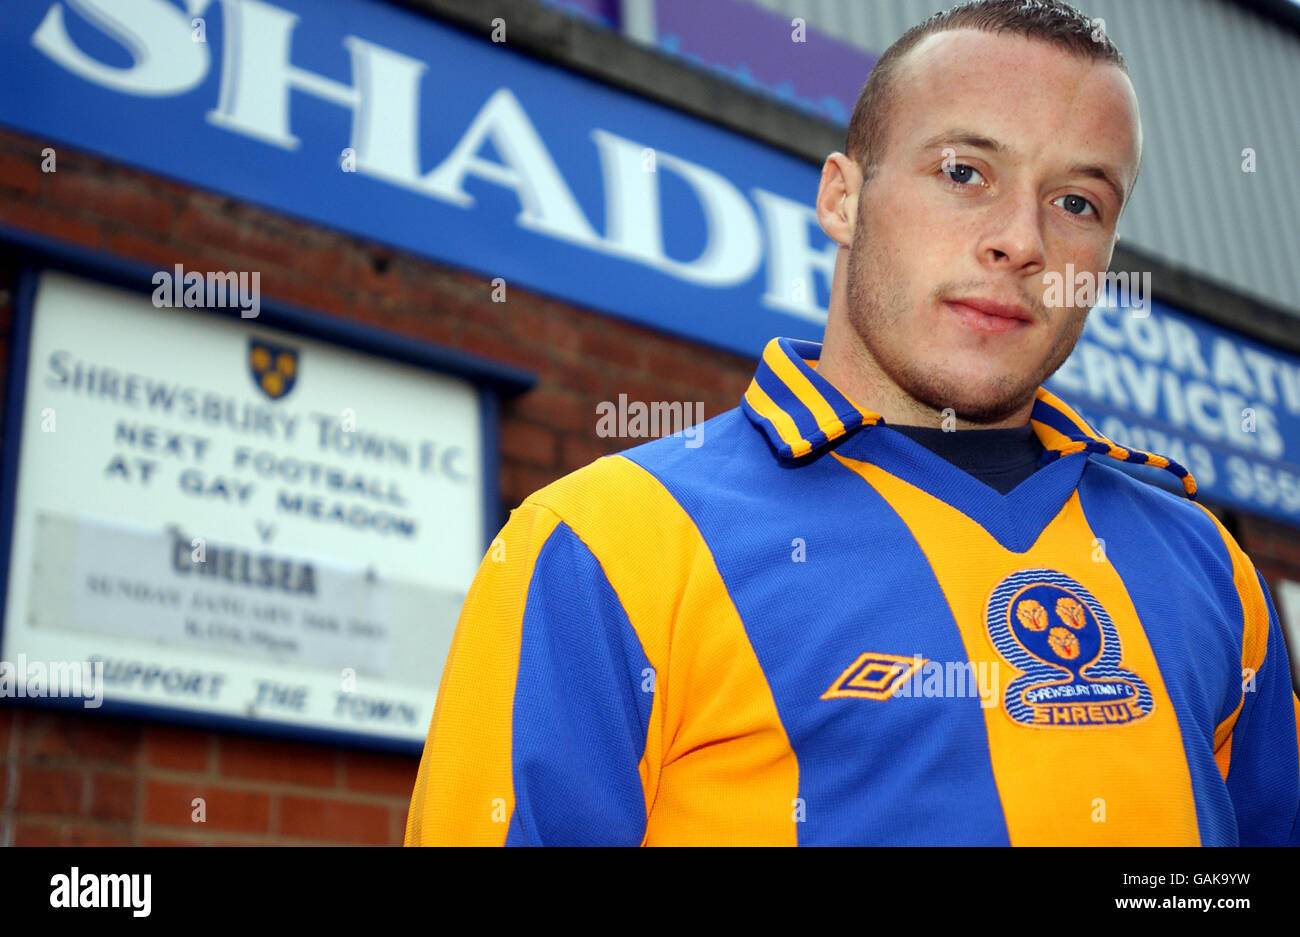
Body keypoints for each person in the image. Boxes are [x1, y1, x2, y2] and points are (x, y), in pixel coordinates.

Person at [405, 0, 1300, 845]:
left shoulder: (1209, 564)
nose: (1022, 240)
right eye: (964, 173)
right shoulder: (601, 543)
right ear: (842, 197)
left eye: (1078, 203)